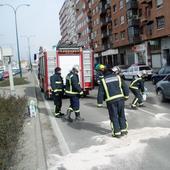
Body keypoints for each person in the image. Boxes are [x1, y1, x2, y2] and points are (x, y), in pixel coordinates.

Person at [99, 66, 129, 138]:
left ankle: (117, 133)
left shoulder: (103, 80)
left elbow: (101, 92)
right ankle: (124, 130)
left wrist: (99, 103)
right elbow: (125, 87)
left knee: (114, 116)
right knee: (121, 115)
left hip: (111, 101)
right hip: (120, 99)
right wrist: (126, 96)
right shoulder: (118, 77)